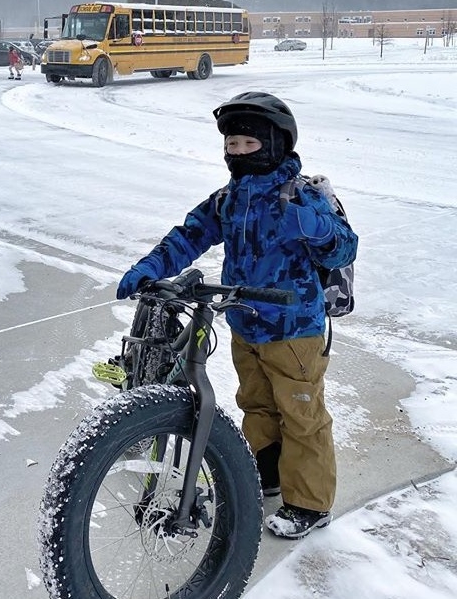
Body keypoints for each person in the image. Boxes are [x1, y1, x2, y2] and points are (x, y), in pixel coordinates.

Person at [116, 92, 358, 540]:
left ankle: (309, 504)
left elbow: (346, 245)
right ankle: (268, 477)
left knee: (302, 416)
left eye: (249, 144)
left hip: (295, 329)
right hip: (244, 323)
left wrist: (315, 226)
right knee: (257, 405)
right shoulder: (229, 199)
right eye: (232, 146)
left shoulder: (301, 195)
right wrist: (150, 266)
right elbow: (190, 235)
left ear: (275, 143)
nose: (240, 153)